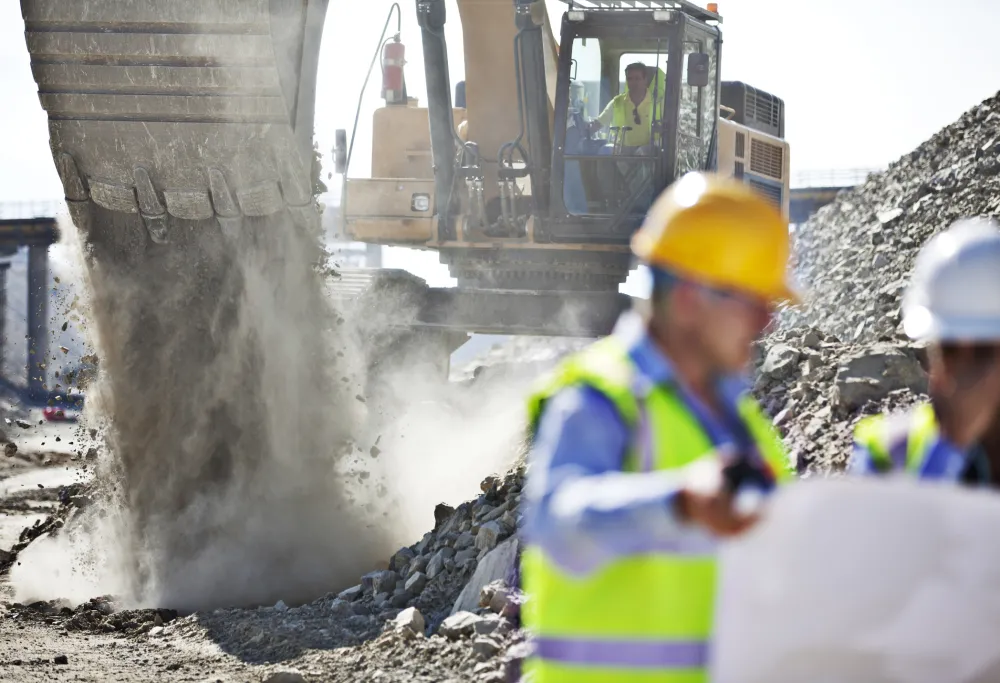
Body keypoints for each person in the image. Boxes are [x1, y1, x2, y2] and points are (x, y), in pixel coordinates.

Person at [520, 172, 800, 683]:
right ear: (693, 299)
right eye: (754, 304)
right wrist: (680, 503)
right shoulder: (603, 397)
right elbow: (559, 524)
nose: (768, 324)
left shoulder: (741, 422)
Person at [851, 218, 1000, 484]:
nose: (950, 376)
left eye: (982, 353)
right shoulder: (888, 450)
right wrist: (947, 448)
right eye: (947, 350)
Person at [588, 62, 656, 149]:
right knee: (604, 151)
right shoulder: (617, 102)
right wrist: (583, 130)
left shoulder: (657, 103)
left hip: (649, 154)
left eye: (637, 78)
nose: (633, 82)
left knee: (644, 152)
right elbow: (599, 123)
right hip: (621, 151)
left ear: (645, 80)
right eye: (630, 79)